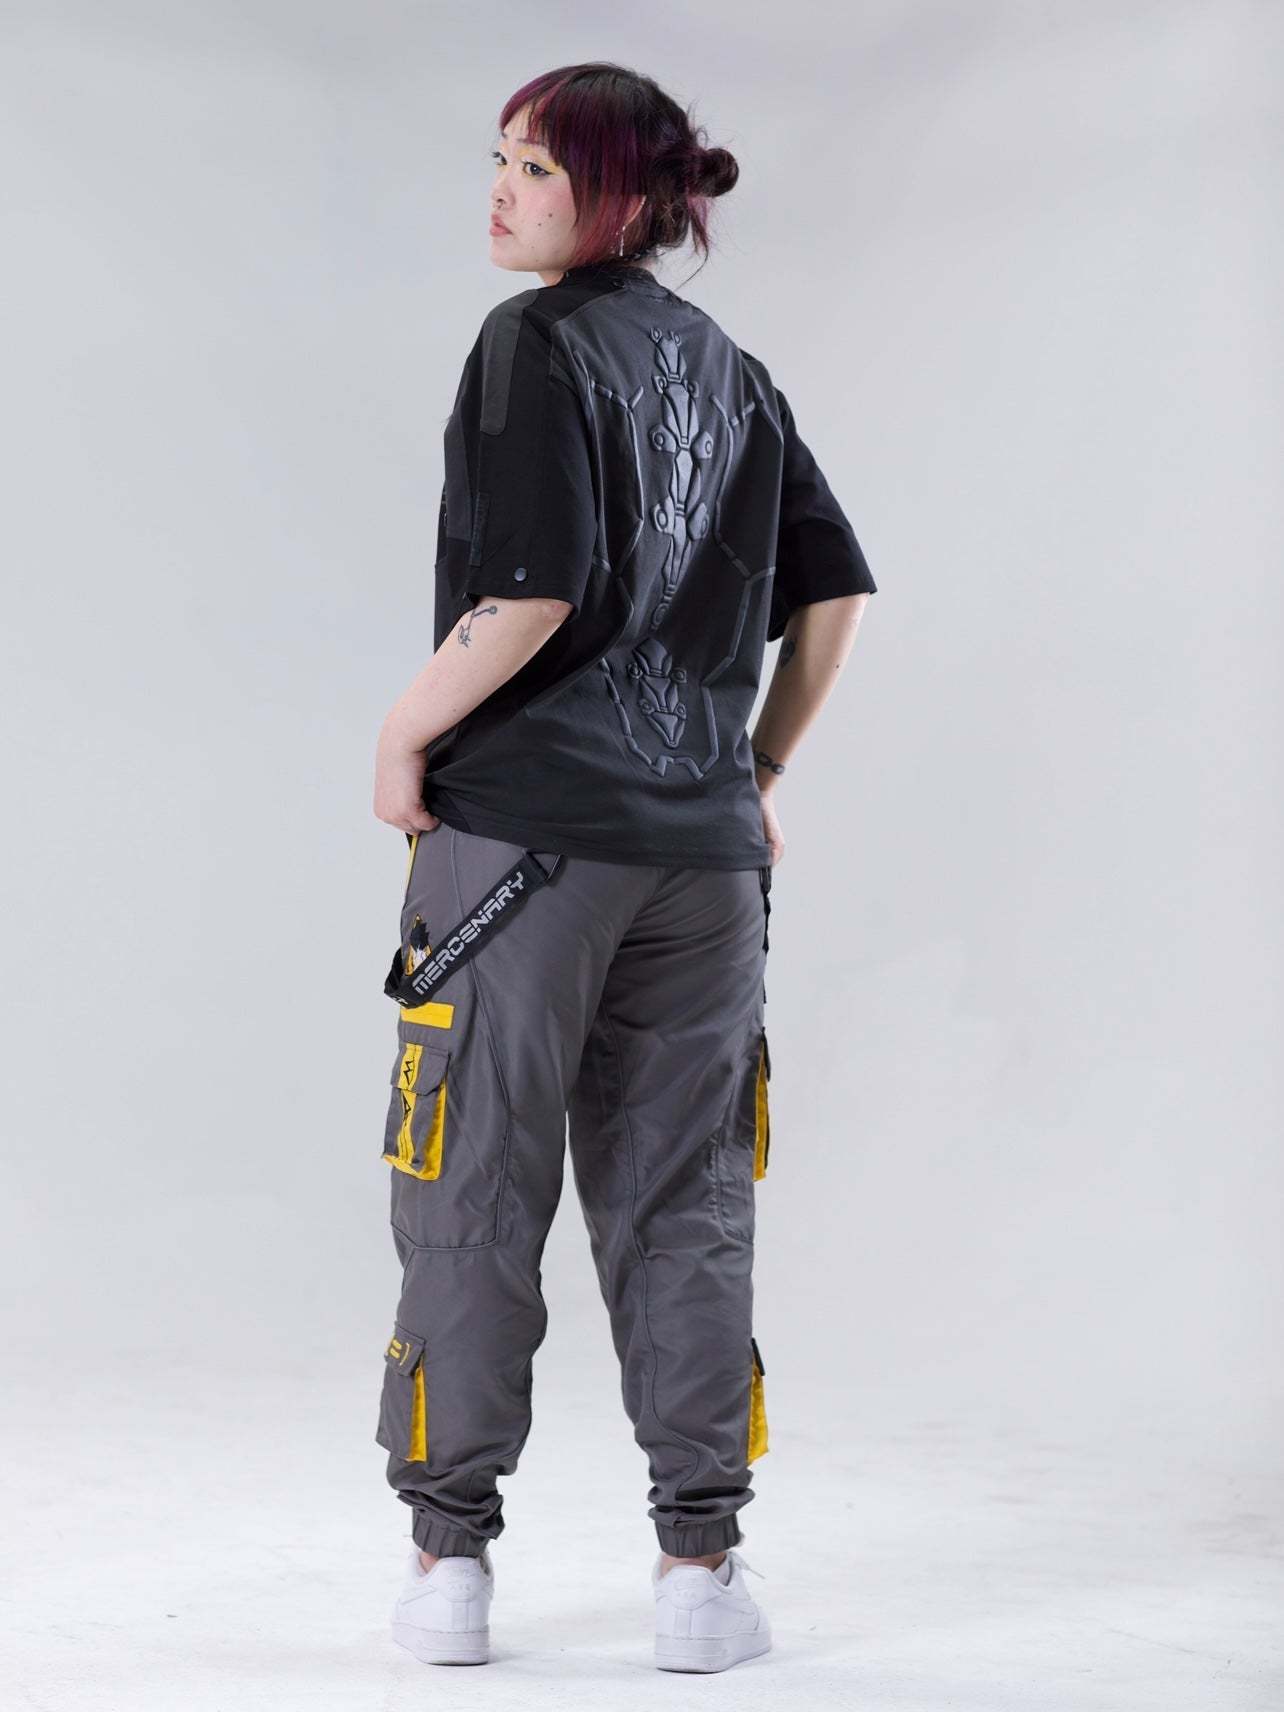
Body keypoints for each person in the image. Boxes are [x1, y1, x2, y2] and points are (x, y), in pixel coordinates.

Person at [370, 60, 877, 1674]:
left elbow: (528, 592)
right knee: (688, 1201)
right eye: (501, 157)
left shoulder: (532, 343)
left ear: (629, 198)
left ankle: (450, 1567)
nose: (502, 188)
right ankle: (700, 1575)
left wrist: (402, 733)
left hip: (523, 846)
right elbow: (835, 596)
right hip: (703, 866)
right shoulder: (735, 371)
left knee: (472, 1183)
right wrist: (758, 770)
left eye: (540, 166)